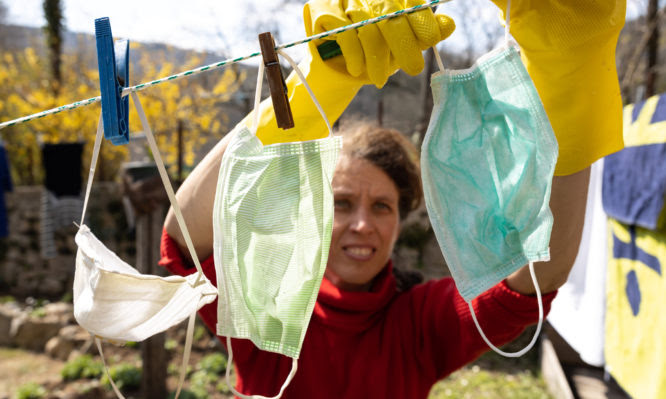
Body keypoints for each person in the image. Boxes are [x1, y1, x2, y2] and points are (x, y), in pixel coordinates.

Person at [160, 0, 624, 397]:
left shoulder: (420, 322)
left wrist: (570, 93)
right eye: (341, 203)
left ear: (402, 219)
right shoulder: (270, 307)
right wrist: (320, 84)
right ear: (314, 211)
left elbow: (533, 281)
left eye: (381, 206)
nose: (362, 224)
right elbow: (185, 238)